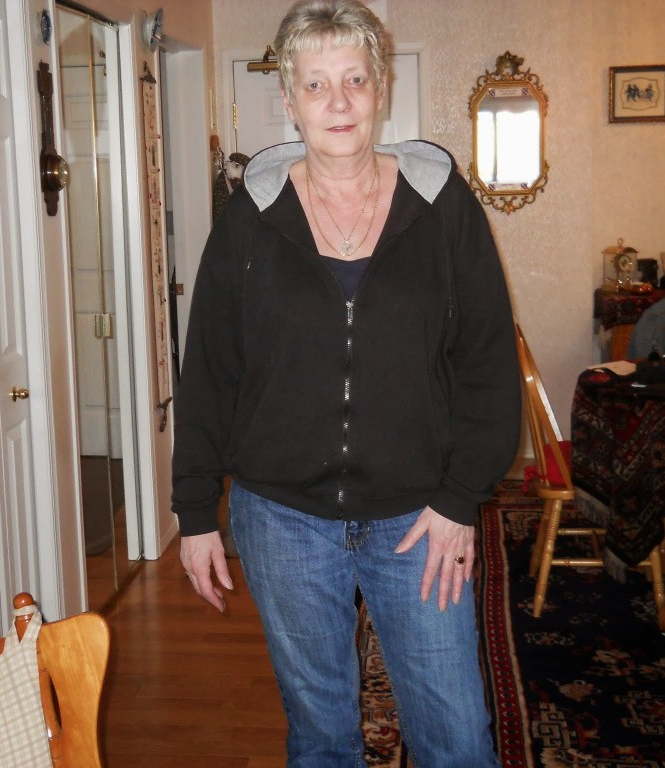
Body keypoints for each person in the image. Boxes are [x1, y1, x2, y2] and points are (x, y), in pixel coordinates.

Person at [171, 1, 519, 765]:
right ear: (288, 99)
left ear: (380, 88)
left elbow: (488, 362)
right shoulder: (249, 219)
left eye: (355, 80)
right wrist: (196, 512)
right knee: (321, 735)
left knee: (458, 738)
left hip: (420, 516)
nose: (338, 102)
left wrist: (460, 499)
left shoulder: (442, 207)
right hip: (283, 519)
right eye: (316, 84)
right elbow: (210, 372)